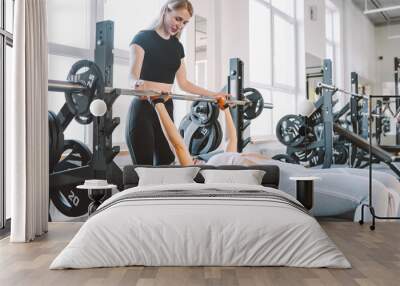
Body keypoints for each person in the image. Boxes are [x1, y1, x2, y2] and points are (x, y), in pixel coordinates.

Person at [149, 95, 400, 222]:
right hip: (294, 186)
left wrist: (225, 109)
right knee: (374, 191)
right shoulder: (206, 174)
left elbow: (231, 140)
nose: (191, 156)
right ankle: (371, 259)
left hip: (304, 171)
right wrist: (159, 105)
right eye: (185, 160)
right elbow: (177, 144)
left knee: (389, 181)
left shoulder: (220, 158)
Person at [126, 0, 228, 166]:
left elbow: (184, 83)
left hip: (166, 108)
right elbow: (132, 75)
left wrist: (215, 95)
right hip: (143, 110)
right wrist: (136, 83)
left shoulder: (177, 47)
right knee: (143, 168)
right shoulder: (142, 38)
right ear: (166, 10)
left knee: (166, 162)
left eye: (185, 22)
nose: (180, 25)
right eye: (177, 19)